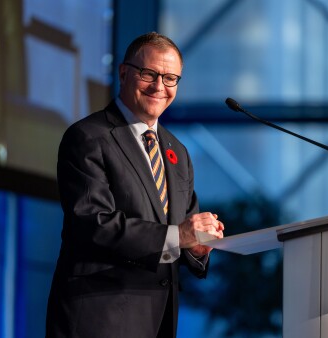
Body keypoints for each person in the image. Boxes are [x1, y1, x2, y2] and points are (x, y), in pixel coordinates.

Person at [45, 31, 225, 338]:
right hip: (99, 319)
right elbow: (93, 225)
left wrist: (198, 245)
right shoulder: (88, 137)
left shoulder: (177, 152)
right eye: (148, 74)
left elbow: (181, 233)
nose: (159, 87)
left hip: (158, 321)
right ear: (124, 73)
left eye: (170, 78)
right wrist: (177, 235)